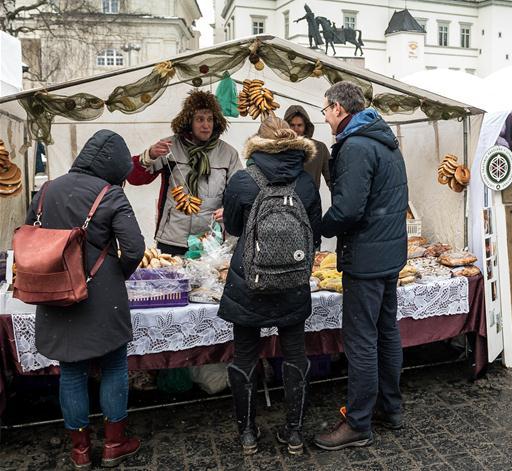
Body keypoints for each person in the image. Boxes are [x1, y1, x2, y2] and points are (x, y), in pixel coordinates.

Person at [27, 130, 145, 469]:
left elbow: (29, 234)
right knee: (113, 366)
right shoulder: (111, 194)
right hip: (102, 295)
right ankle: (114, 443)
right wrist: (115, 273)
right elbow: (134, 247)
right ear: (115, 166)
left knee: (71, 372)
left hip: (55, 291)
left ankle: (80, 451)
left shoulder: (47, 189)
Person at [217, 115, 322, 455]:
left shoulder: (242, 181)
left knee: (245, 357)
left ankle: (247, 433)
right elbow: (314, 235)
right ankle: (293, 434)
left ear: (258, 145)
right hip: (293, 282)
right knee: (294, 356)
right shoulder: (306, 182)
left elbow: (233, 228)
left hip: (249, 280)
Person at [313, 81, 409, 451]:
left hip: (367, 258)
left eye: (325, 111)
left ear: (339, 109)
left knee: (362, 341)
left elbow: (349, 208)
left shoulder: (355, 146)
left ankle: (358, 424)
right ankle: (391, 408)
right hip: (388, 255)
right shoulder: (385, 140)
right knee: (386, 333)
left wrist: (321, 227)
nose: (324, 118)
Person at [128, 90, 242, 255]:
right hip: (172, 238)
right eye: (200, 119)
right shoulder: (169, 147)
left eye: (210, 119)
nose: (206, 125)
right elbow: (135, 178)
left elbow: (239, 192)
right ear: (189, 122)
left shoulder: (228, 153)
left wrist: (229, 210)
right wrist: (150, 155)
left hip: (210, 240)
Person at [283, 104, 331, 190]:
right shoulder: (279, 148)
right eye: (292, 125)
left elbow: (332, 179)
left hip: (311, 201)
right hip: (285, 201)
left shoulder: (320, 148)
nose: (296, 129)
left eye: (299, 125)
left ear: (306, 126)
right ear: (286, 126)